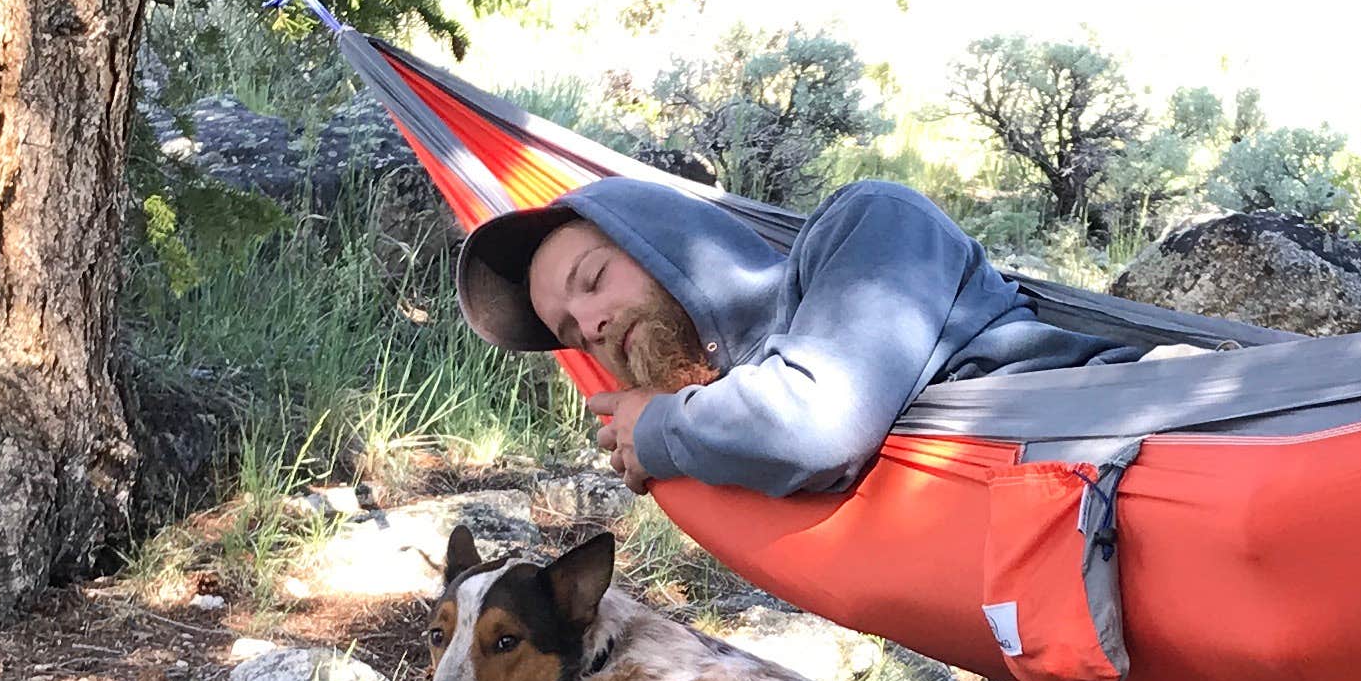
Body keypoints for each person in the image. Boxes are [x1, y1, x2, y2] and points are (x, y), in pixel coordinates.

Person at [454, 175, 1125, 495]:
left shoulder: (870, 225)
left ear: (665, 243)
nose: (593, 325)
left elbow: (815, 425)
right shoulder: (719, 437)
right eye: (573, 333)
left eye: (594, 278)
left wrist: (658, 430)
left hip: (1150, 436)